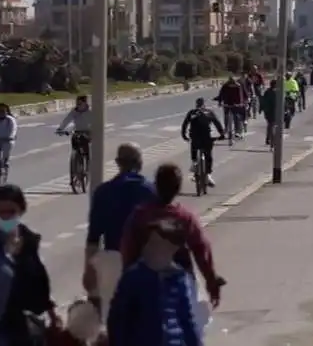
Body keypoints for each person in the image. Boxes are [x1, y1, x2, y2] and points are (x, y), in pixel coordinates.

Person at [120, 163, 223, 310]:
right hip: (180, 285)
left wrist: (128, 283)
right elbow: (202, 251)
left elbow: (128, 251)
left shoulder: (140, 215)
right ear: (179, 188)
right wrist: (211, 282)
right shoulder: (185, 218)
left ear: (155, 186)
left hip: (146, 285)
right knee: (190, 324)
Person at [0, 185, 58, 346]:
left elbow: (39, 280)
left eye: (11, 212)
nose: (6, 217)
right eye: (1, 212)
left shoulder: (29, 241)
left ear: (21, 211)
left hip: (23, 328)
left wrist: (52, 314)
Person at [83, 143, 156, 321]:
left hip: (112, 263)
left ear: (117, 162)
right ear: (140, 163)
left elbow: (93, 238)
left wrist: (89, 270)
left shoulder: (103, 192)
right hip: (144, 263)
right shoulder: (151, 191)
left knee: (113, 321)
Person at [107, 218, 202, 346]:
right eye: (150, 243)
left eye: (158, 244)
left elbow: (187, 320)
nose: (151, 249)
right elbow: (117, 319)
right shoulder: (134, 277)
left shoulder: (180, 278)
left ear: (172, 249)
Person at [181, 98, 225, 187]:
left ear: (196, 105)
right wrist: (222, 134)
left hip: (195, 137)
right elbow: (217, 123)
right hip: (207, 137)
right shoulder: (209, 112)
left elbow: (185, 124)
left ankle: (194, 164)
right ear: (204, 105)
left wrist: (184, 135)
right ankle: (208, 175)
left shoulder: (192, 112)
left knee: (194, 147)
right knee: (208, 156)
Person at [56, 95, 92, 160]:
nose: (78, 105)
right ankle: (76, 156)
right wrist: (60, 128)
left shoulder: (90, 112)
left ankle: (88, 161)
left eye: (80, 104)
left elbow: (96, 122)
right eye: (77, 103)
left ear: (85, 103)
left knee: (87, 146)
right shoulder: (74, 111)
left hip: (88, 132)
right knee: (74, 139)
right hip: (77, 131)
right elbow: (67, 120)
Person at [260, 80, 278, 146]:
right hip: (273, 111)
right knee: (273, 125)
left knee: (270, 125)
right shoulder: (276, 92)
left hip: (267, 111)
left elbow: (263, 101)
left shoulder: (267, 92)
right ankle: (272, 139)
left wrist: (261, 109)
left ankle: (268, 138)